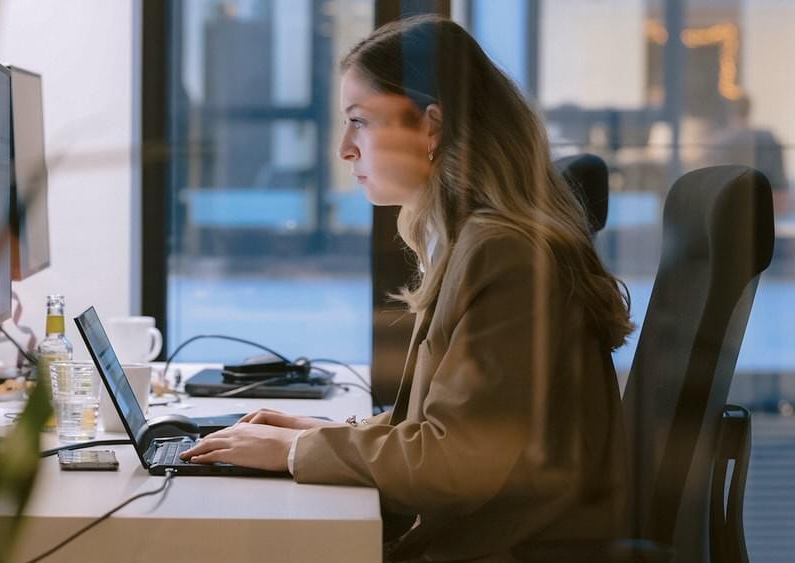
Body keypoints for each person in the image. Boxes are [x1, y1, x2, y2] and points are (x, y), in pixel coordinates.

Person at [182, 15, 633, 562]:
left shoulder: (503, 253)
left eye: (359, 121)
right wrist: (321, 433)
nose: (345, 149)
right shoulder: (476, 239)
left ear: (431, 127)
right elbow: (457, 426)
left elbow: (457, 460)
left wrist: (297, 450)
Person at [707, 95, 789, 215]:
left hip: (733, 206)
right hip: (760, 205)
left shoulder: (722, 141)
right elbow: (779, 184)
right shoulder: (767, 138)